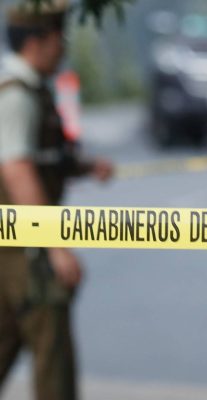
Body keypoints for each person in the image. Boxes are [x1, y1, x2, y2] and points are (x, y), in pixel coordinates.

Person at [0, 2, 113, 399]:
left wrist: (83, 167)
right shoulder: (17, 95)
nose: (63, 47)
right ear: (37, 42)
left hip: (13, 251)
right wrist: (55, 246)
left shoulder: (29, 89)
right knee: (54, 362)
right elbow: (16, 169)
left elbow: (38, 159)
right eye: (58, 38)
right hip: (24, 253)